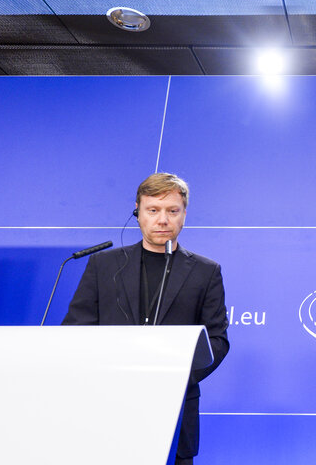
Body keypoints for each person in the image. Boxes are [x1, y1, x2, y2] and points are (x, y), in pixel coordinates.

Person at [63, 173, 230, 465]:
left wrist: (173, 377)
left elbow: (217, 341)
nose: (162, 220)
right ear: (137, 213)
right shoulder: (104, 264)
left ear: (184, 215)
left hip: (175, 414)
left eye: (172, 211)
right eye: (153, 210)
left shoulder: (206, 271)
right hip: (107, 410)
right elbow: (75, 330)